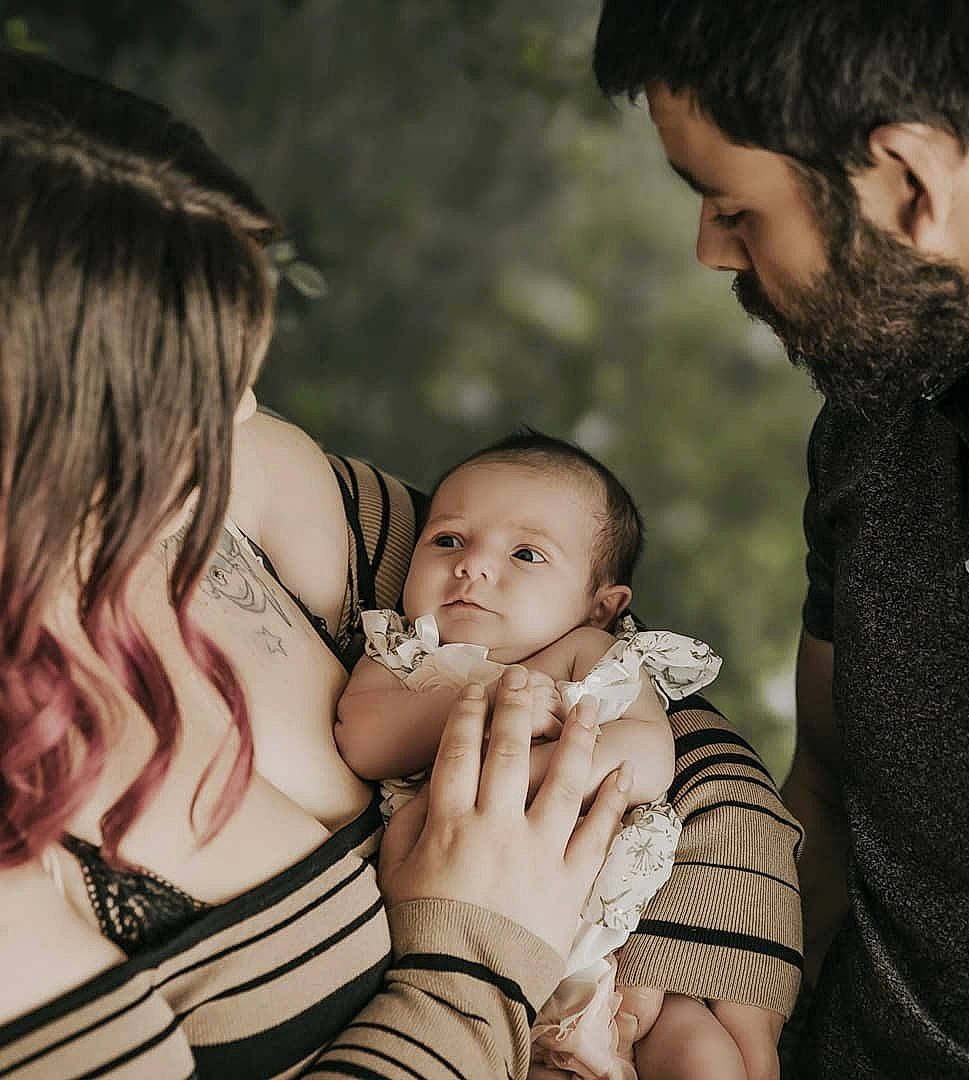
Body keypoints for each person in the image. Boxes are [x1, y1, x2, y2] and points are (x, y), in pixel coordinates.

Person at [0, 48, 802, 1079]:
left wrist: (710, 932)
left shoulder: (235, 487)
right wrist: (480, 955)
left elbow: (591, 638)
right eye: (193, 394)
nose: (245, 415)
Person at [593, 2, 969, 1078]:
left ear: (910, 180)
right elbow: (824, 791)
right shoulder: (880, 415)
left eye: (733, 207)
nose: (710, 249)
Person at [337, 430, 747, 1079]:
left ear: (601, 605)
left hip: (613, 947)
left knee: (701, 1052)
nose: (473, 566)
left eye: (526, 553)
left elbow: (649, 755)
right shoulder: (406, 651)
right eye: (448, 540)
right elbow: (362, 738)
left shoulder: (592, 653)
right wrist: (486, 699)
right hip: (458, 926)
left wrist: (526, 770)